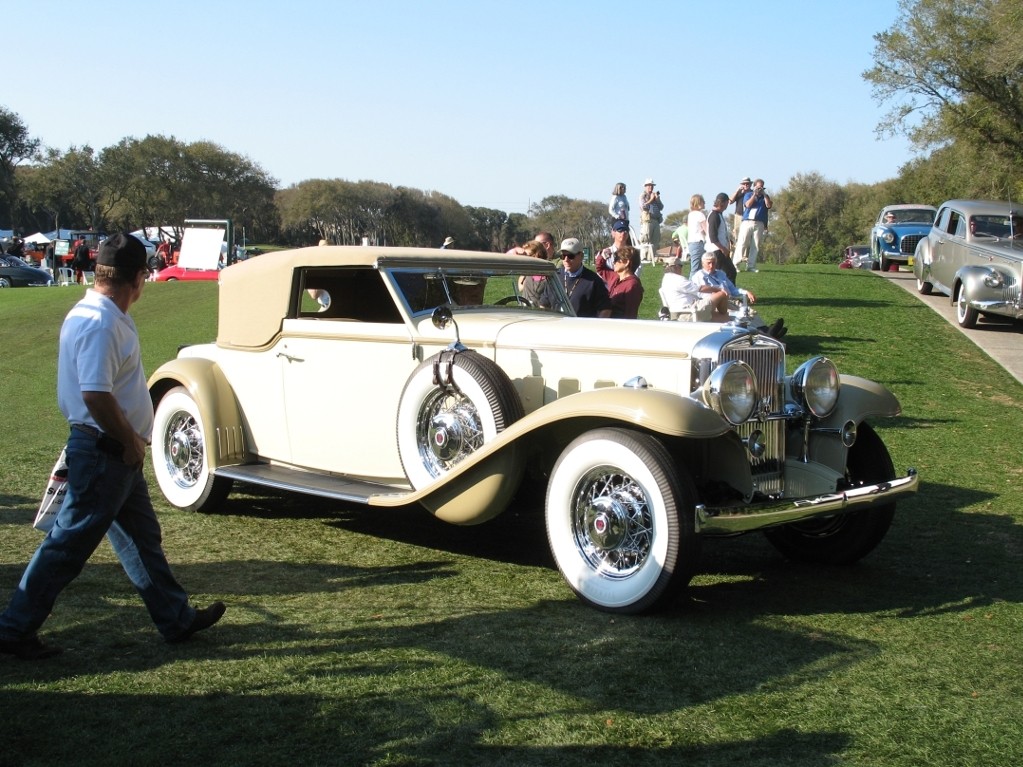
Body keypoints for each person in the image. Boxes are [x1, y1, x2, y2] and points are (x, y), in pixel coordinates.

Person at [0, 233, 226, 660]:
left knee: (142, 540)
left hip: (112, 450)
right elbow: (95, 395)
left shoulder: (97, 313)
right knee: (67, 546)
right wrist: (128, 441)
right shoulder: (101, 321)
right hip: (107, 450)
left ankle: (175, 619)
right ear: (138, 278)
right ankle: (13, 628)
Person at [545, 238, 611, 317]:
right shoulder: (554, 277)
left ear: (581, 256)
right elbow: (544, 304)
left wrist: (596, 328)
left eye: (571, 256)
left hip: (582, 327)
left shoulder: (594, 280)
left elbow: (605, 309)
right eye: (563, 255)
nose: (566, 259)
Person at [660, 257, 729, 321]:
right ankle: (725, 311)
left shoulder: (666, 279)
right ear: (677, 266)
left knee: (725, 318)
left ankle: (724, 313)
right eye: (681, 266)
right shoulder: (677, 279)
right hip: (690, 312)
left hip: (683, 313)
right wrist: (719, 289)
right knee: (722, 294)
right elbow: (700, 288)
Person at [735, 178, 772, 272]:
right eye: (759, 187)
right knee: (742, 243)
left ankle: (751, 266)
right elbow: (747, 205)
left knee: (755, 245)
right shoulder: (748, 194)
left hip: (759, 223)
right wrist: (754, 194)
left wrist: (764, 195)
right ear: (755, 186)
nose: (760, 189)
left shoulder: (765, 197)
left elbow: (769, 205)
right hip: (747, 222)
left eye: (762, 187)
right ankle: (736, 264)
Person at [705, 192, 738, 283]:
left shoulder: (719, 214)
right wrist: (723, 248)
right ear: (723, 203)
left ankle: (728, 294)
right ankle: (727, 295)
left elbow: (720, 232)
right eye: (727, 203)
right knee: (727, 273)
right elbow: (713, 237)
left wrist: (728, 240)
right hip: (717, 250)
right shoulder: (714, 216)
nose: (727, 205)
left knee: (730, 272)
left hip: (720, 250)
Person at [605, 245, 644, 319]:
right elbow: (601, 269)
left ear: (626, 262)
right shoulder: (618, 280)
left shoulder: (632, 285)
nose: (614, 262)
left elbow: (630, 315)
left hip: (620, 328)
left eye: (617, 259)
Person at [595, 219, 633, 288]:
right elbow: (600, 274)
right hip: (608, 291)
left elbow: (635, 275)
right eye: (620, 230)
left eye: (625, 230)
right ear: (613, 233)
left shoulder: (633, 254)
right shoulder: (603, 253)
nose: (623, 233)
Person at [639, 179, 664, 253]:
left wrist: (657, 199)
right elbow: (643, 206)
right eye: (649, 185)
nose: (651, 187)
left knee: (655, 240)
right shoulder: (643, 195)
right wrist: (651, 199)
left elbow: (661, 207)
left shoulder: (655, 195)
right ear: (645, 186)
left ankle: (652, 257)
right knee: (646, 240)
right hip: (647, 220)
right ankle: (645, 258)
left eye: (652, 185)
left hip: (656, 220)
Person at [686, 194, 708, 277]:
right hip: (698, 242)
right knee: (696, 269)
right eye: (703, 201)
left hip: (691, 243)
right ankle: (691, 287)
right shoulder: (700, 215)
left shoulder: (690, 214)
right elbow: (706, 230)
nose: (704, 203)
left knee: (695, 267)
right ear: (699, 203)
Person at [729, 178, 752, 244]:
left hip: (748, 217)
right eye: (744, 184)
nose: (746, 185)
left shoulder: (752, 193)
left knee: (747, 235)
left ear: (750, 184)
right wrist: (737, 191)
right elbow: (730, 201)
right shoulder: (739, 193)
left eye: (747, 184)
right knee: (737, 234)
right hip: (739, 216)